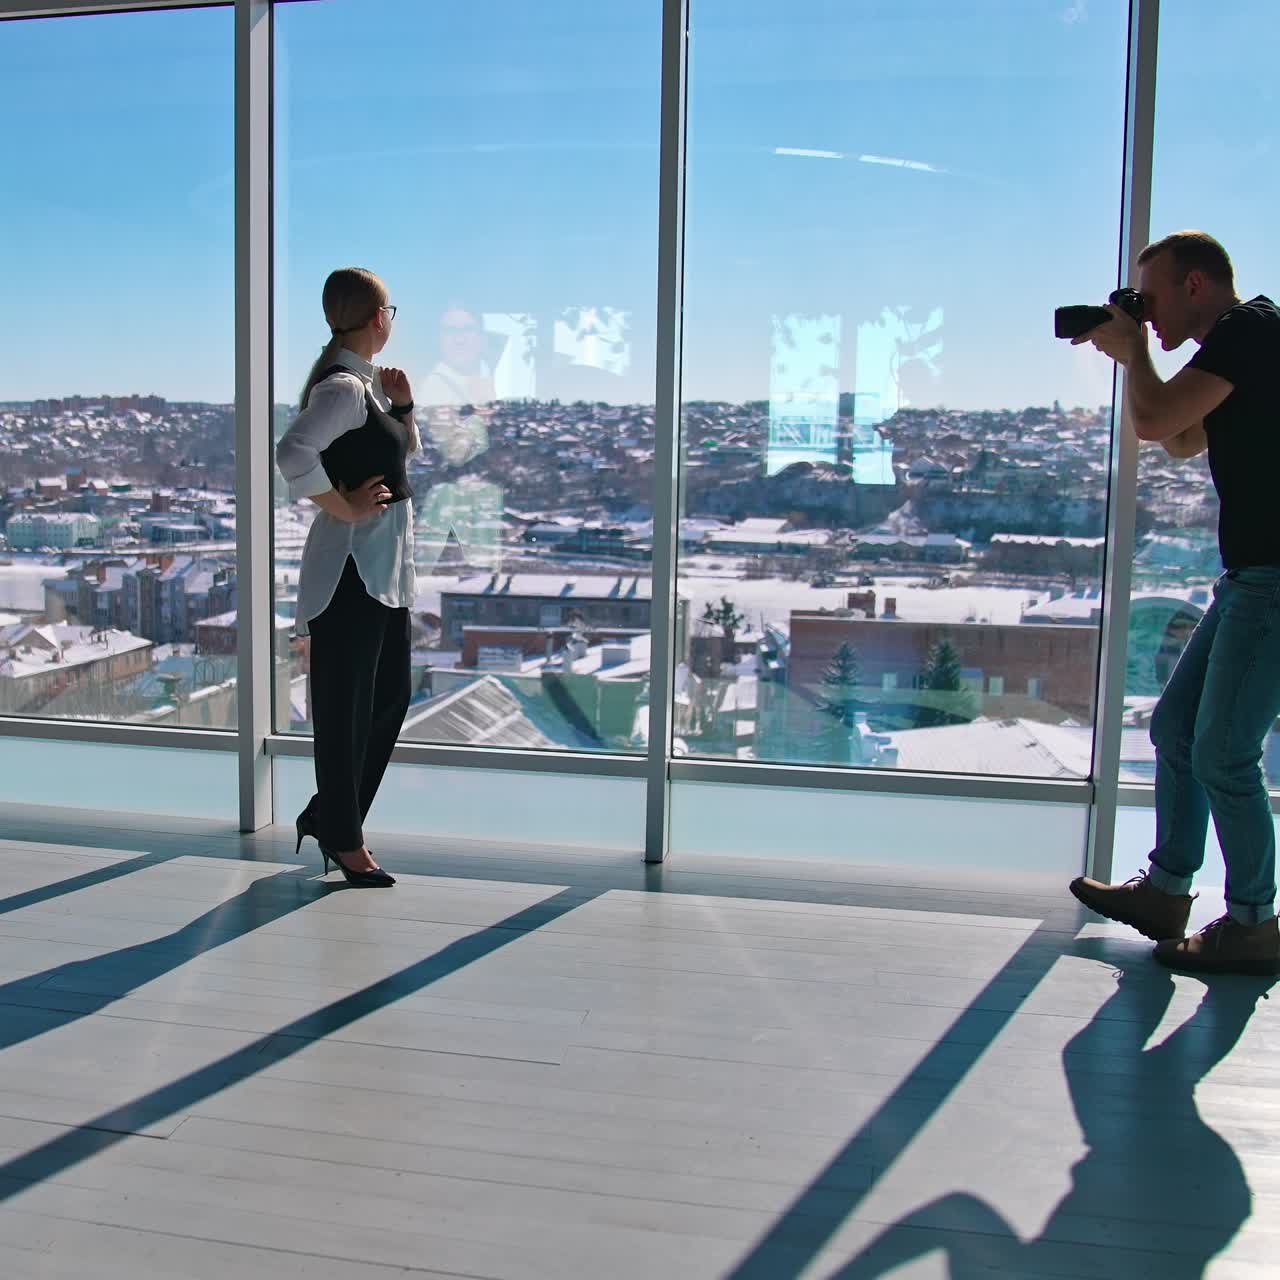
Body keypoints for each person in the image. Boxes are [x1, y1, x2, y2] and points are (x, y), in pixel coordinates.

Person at [1069, 230, 1280, 975]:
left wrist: (1136, 356)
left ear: (1196, 285)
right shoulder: (1235, 349)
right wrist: (1137, 362)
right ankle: (1166, 891)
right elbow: (1180, 437)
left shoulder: (1252, 330)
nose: (1145, 314)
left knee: (1225, 751)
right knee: (1176, 730)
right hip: (1250, 576)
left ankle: (1255, 923)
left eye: (1150, 298)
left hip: (1273, 578)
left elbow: (1159, 423)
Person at [276, 267, 419, 887]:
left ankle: (332, 816)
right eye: (392, 310)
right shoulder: (341, 389)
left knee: (388, 698)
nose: (393, 320)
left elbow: (399, 458)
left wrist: (405, 408)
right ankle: (345, 836)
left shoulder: (365, 388)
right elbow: (292, 454)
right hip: (351, 572)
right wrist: (346, 505)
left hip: (382, 570)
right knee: (344, 710)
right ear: (375, 318)